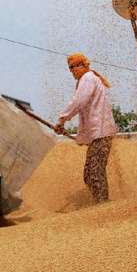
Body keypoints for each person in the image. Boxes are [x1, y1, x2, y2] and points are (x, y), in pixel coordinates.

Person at [54, 53, 117, 203]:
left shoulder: (87, 78)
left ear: (84, 65)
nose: (72, 70)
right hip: (99, 133)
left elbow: (79, 102)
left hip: (101, 133)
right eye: (70, 68)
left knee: (94, 172)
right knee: (89, 174)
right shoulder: (88, 79)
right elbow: (84, 110)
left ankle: (103, 205)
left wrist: (62, 120)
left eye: (75, 66)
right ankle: (99, 202)